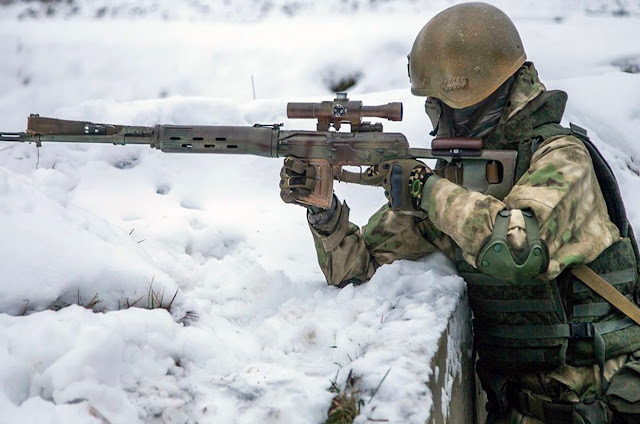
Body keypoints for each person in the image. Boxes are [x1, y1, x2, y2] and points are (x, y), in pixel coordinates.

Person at [279, 3, 640, 423]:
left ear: (471, 99)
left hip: (606, 406)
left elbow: (516, 249)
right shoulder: (463, 184)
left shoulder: (562, 158)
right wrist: (325, 214)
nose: (436, 122)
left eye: (439, 107)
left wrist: (426, 189)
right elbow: (361, 270)